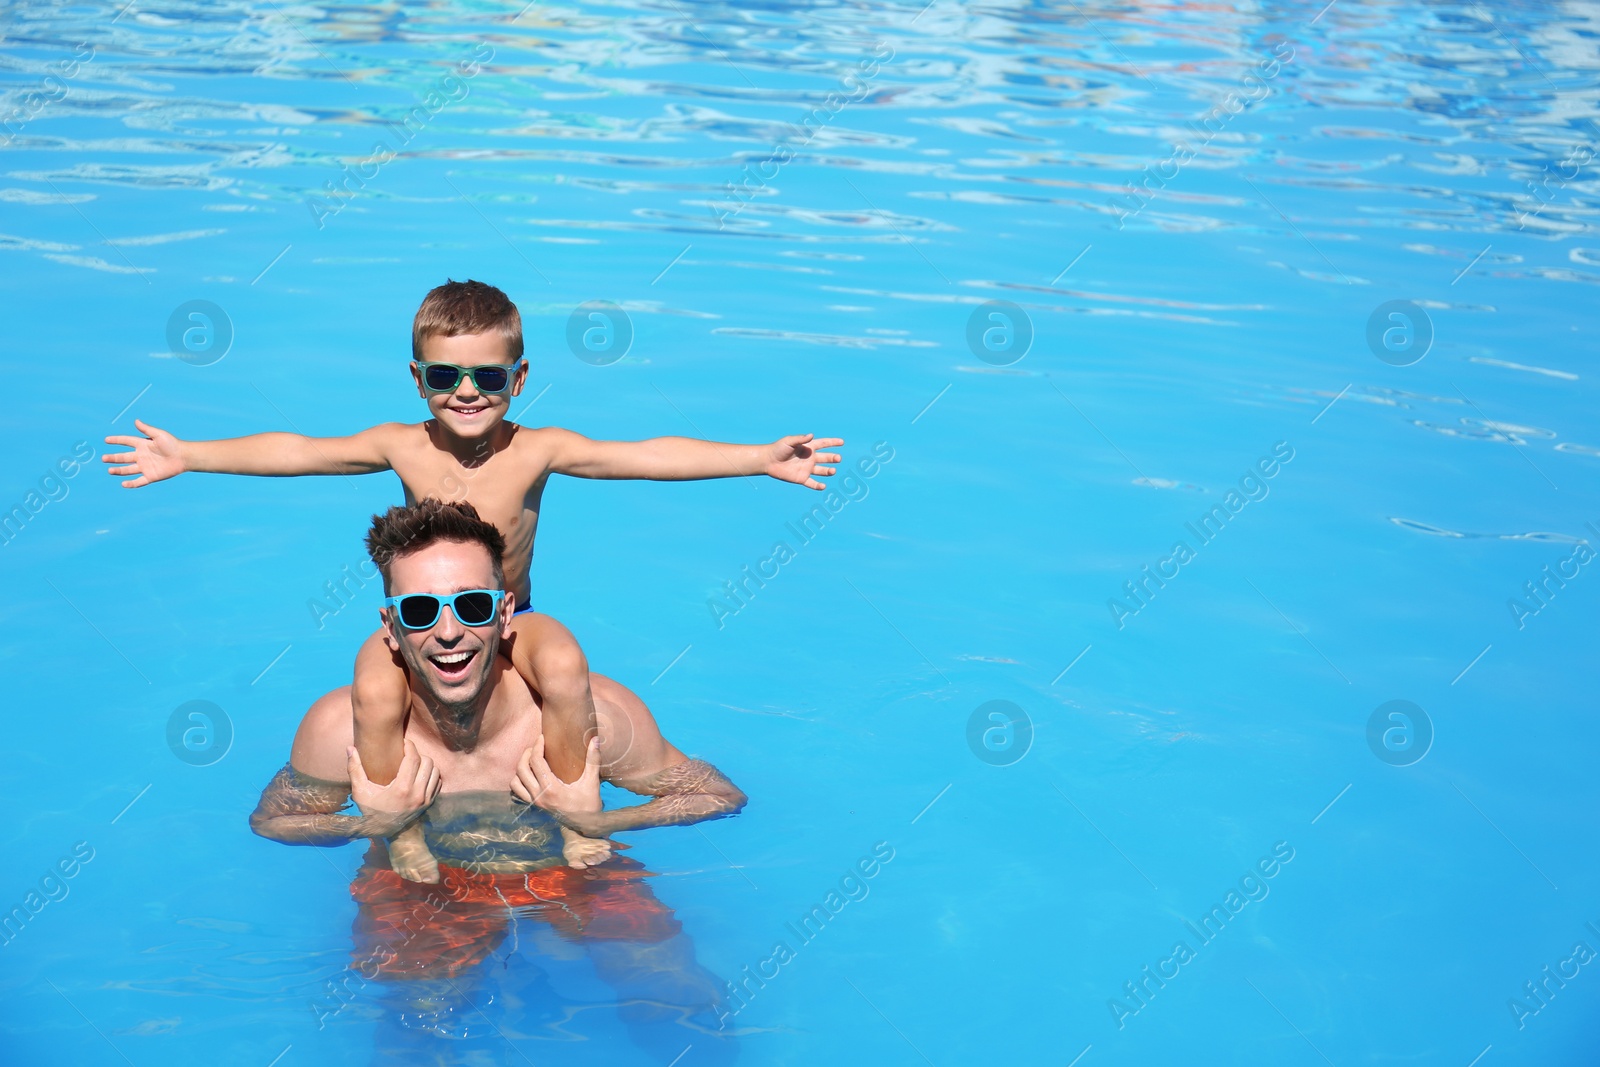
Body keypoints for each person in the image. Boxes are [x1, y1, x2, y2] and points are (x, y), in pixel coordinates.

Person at [107, 278, 837, 881]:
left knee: (561, 656)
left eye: (487, 376)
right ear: (417, 379)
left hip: (512, 622)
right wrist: (190, 454)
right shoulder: (402, 443)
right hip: (429, 622)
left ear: (517, 379)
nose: (466, 391)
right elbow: (300, 450)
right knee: (372, 669)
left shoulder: (538, 448)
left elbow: (640, 454)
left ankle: (574, 816)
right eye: (444, 376)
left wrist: (756, 457)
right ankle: (402, 832)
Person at [249, 501, 745, 1053]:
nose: (448, 632)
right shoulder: (340, 728)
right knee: (416, 1031)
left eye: (472, 605)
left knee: (685, 1006)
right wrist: (376, 825)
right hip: (420, 886)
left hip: (576, 871)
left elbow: (717, 796)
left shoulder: (594, 714)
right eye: (418, 611)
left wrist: (601, 818)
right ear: (390, 626)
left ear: (506, 612)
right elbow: (275, 821)